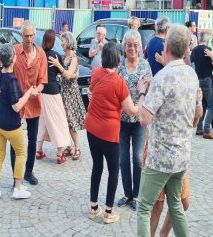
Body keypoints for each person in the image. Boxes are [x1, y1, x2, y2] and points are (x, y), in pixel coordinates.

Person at [137, 24, 203, 237]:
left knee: (144, 207)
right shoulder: (191, 75)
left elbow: (143, 119)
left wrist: (141, 93)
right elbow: (197, 113)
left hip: (160, 158)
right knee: (175, 205)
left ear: (166, 47)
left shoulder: (163, 77)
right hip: (182, 155)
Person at [85, 42, 138, 224]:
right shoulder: (119, 82)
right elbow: (131, 110)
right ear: (118, 58)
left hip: (92, 128)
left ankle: (93, 208)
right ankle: (108, 212)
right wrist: (143, 96)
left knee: (97, 167)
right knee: (114, 170)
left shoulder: (95, 73)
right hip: (109, 132)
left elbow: (93, 92)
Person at [0, 44, 36, 202]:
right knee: (21, 153)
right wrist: (29, 92)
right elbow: (16, 106)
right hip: (11, 124)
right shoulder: (12, 80)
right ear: (14, 59)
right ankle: (17, 188)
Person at [116, 30, 152, 211]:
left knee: (137, 159)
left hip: (139, 121)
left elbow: (151, 90)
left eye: (135, 45)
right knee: (123, 159)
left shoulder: (145, 66)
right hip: (121, 121)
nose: (131, 48)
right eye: (128, 45)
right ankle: (127, 193)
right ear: (124, 47)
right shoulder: (119, 66)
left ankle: (138, 194)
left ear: (140, 47)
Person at [10, 20, 48, 185]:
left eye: (32, 35)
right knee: (14, 140)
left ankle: (29, 172)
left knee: (33, 139)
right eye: (26, 36)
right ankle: (15, 176)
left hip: (33, 101)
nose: (29, 39)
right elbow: (4, 71)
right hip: (16, 101)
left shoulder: (40, 54)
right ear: (21, 35)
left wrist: (36, 90)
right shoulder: (14, 52)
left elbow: (43, 80)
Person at [48, 32, 86, 160]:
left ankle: (77, 147)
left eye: (62, 40)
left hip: (70, 94)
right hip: (63, 93)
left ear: (69, 42)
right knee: (63, 122)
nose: (61, 43)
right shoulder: (64, 57)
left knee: (70, 123)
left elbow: (69, 74)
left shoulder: (73, 58)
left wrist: (59, 66)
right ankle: (68, 146)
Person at [36, 30, 71, 164]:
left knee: (43, 121)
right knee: (59, 122)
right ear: (53, 41)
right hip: (52, 91)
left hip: (40, 91)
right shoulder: (55, 56)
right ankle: (60, 154)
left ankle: (38, 150)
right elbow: (65, 74)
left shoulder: (39, 54)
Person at [191, 32, 213, 139]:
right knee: (212, 105)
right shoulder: (208, 50)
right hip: (207, 79)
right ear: (207, 40)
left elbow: (192, 64)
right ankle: (206, 130)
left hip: (198, 80)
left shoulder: (195, 50)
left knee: (203, 104)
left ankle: (199, 128)